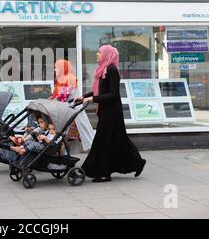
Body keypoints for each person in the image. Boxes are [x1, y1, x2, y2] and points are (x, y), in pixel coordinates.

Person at [75, 45, 146, 182]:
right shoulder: (103, 70)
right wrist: (84, 97)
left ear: (107, 55)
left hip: (112, 112)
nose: (97, 54)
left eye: (100, 52)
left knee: (103, 141)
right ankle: (137, 163)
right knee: (118, 140)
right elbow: (99, 92)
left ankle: (103, 172)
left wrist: (92, 99)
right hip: (106, 110)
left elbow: (112, 94)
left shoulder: (112, 70)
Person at [50, 59, 95, 152]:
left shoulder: (69, 79)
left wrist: (51, 102)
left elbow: (62, 97)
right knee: (70, 139)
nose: (55, 70)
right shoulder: (61, 80)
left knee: (82, 139)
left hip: (73, 112)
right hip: (68, 111)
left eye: (56, 68)